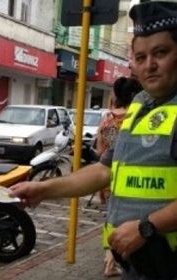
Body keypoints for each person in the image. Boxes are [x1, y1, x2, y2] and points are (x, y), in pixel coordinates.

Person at [10, 2, 177, 279]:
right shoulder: (140, 105)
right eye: (141, 56)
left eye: (161, 53)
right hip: (141, 264)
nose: (150, 65)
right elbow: (104, 171)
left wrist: (146, 227)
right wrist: (42, 189)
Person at [94, 77, 142, 277]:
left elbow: (99, 150)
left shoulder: (106, 119)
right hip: (130, 179)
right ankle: (115, 260)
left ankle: (109, 259)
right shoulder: (137, 117)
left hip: (106, 177)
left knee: (110, 218)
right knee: (127, 221)